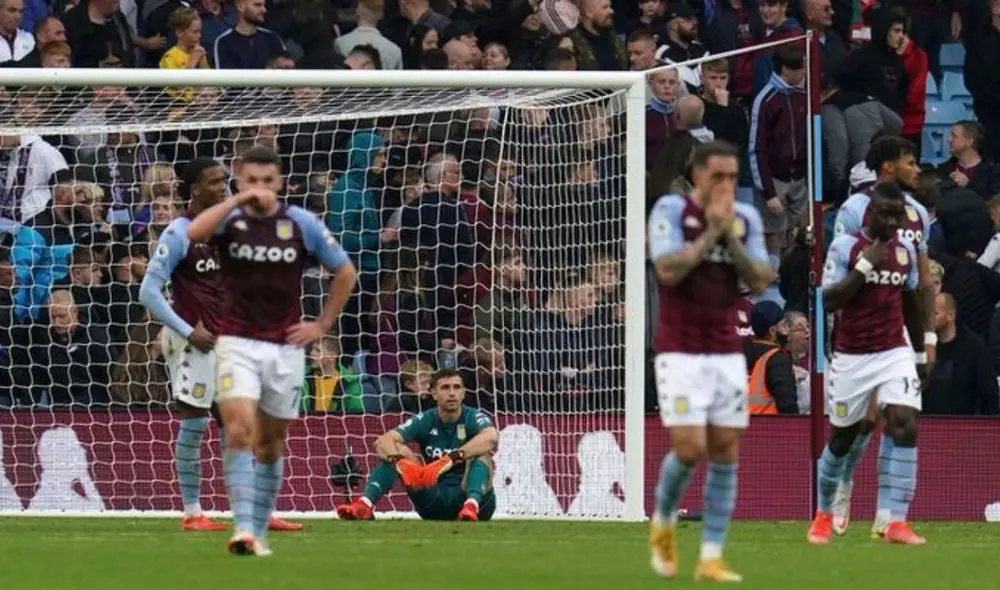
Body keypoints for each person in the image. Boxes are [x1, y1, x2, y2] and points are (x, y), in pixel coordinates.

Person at [185, 146, 358, 556]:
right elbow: (194, 233)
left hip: (284, 346)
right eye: (250, 181)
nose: (259, 188)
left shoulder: (300, 222)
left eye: (267, 181)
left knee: (271, 443)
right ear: (239, 182)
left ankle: (258, 528)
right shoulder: (230, 218)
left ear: (279, 182)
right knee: (239, 429)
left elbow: (346, 271)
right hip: (236, 341)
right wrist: (239, 201)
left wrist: (321, 324)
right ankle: (242, 528)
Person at [139, 158, 304, 533]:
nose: (223, 187)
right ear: (194, 188)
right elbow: (148, 292)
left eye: (224, 181)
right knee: (195, 424)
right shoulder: (179, 233)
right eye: (214, 182)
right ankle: (193, 511)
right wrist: (186, 330)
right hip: (193, 343)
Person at [646, 140, 774, 582]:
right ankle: (662, 522)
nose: (726, 185)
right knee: (689, 447)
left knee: (724, 450)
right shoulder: (669, 211)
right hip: (679, 349)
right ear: (697, 175)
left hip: (725, 351)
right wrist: (709, 236)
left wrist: (731, 240)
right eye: (718, 176)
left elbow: (760, 279)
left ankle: (712, 556)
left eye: (733, 178)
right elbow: (666, 271)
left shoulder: (746, 218)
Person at [808, 181, 928, 546]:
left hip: (893, 350)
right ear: (869, 214)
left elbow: (911, 303)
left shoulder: (906, 250)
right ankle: (823, 514)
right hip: (852, 356)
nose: (893, 222)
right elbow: (829, 300)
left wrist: (920, 353)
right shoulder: (845, 246)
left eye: (898, 215)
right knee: (842, 440)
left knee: (905, 423)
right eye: (885, 214)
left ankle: (897, 522)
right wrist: (863, 267)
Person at [829, 136, 935, 536]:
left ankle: (887, 515)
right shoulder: (854, 210)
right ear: (889, 166)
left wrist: (928, 340)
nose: (917, 169)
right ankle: (842, 483)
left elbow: (921, 281)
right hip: (858, 331)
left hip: (899, 328)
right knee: (864, 421)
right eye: (910, 161)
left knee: (899, 417)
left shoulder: (920, 213)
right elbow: (839, 268)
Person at [335, 369, 498, 521]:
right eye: (445, 388)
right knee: (397, 450)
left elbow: (491, 436)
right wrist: (398, 461)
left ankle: (471, 505)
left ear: (463, 393)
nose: (452, 393)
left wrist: (452, 457)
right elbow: (383, 442)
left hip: (473, 499)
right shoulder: (425, 418)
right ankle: (365, 505)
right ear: (433, 393)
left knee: (483, 452)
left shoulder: (473, 416)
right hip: (433, 498)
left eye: (457, 388)